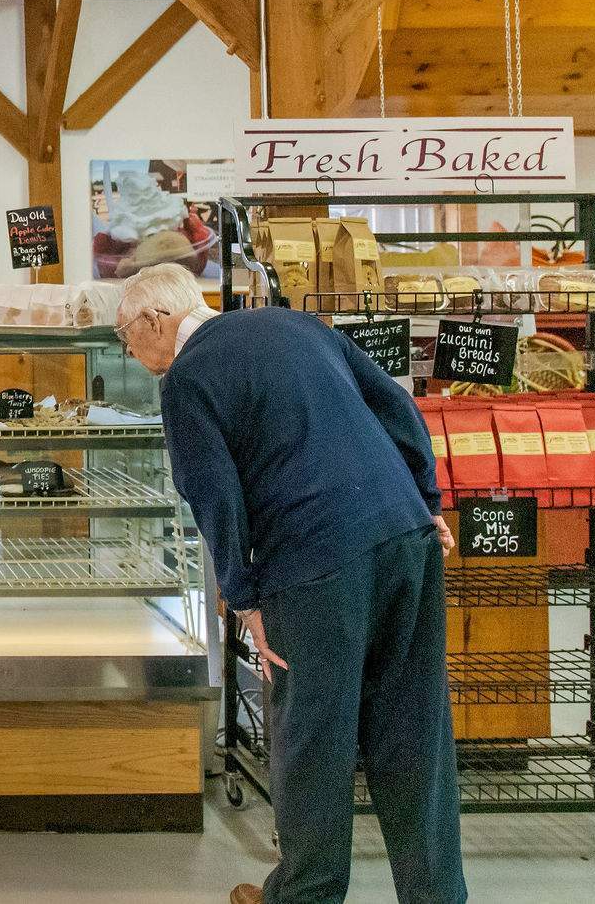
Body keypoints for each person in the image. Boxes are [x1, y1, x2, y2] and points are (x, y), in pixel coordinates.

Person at [115, 263, 465, 904]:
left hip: (315, 559)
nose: (128, 353)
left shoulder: (189, 378)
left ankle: (306, 895)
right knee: (414, 724)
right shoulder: (296, 324)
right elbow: (397, 406)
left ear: (156, 320)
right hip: (405, 536)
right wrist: (427, 501)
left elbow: (211, 492)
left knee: (312, 733)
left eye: (125, 336)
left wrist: (242, 596)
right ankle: (437, 894)